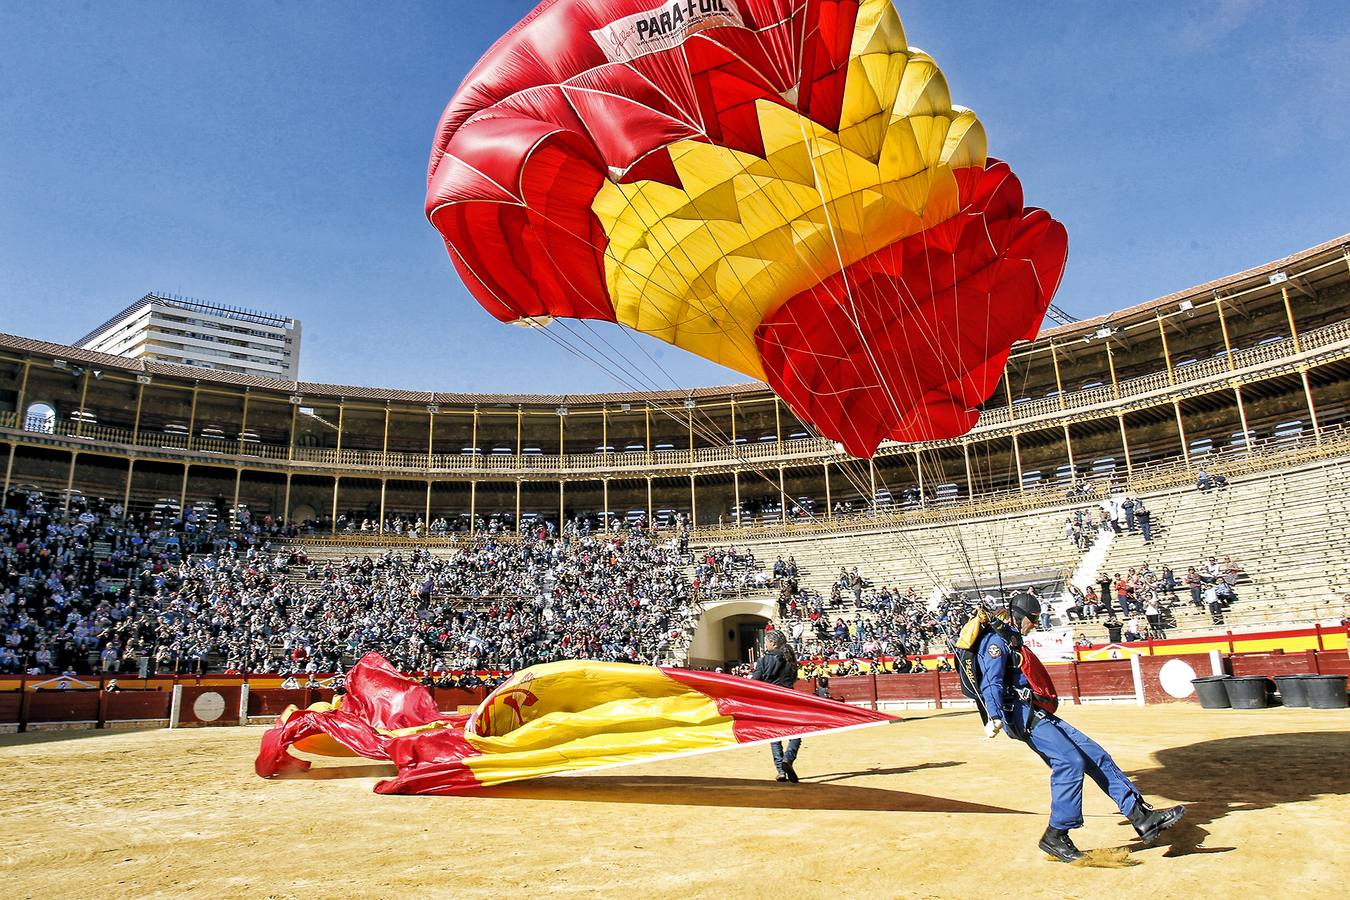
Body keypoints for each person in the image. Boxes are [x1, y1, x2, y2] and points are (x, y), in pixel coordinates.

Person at [974, 594, 1184, 862]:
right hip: (1020, 715)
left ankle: (1142, 816)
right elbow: (990, 683)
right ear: (1019, 615)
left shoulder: (1012, 637)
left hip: (1036, 711)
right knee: (1070, 762)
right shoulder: (996, 641)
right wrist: (993, 716)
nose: (1035, 624)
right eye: (1033, 619)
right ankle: (1056, 834)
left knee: (1095, 755)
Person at [752, 630, 801, 783]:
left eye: (766, 642)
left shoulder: (763, 660)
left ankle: (781, 770)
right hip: (789, 698)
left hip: (771, 701)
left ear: (773, 643)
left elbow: (755, 682)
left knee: (775, 736)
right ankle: (788, 757)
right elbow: (794, 678)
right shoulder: (790, 658)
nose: (766, 644)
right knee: (797, 731)